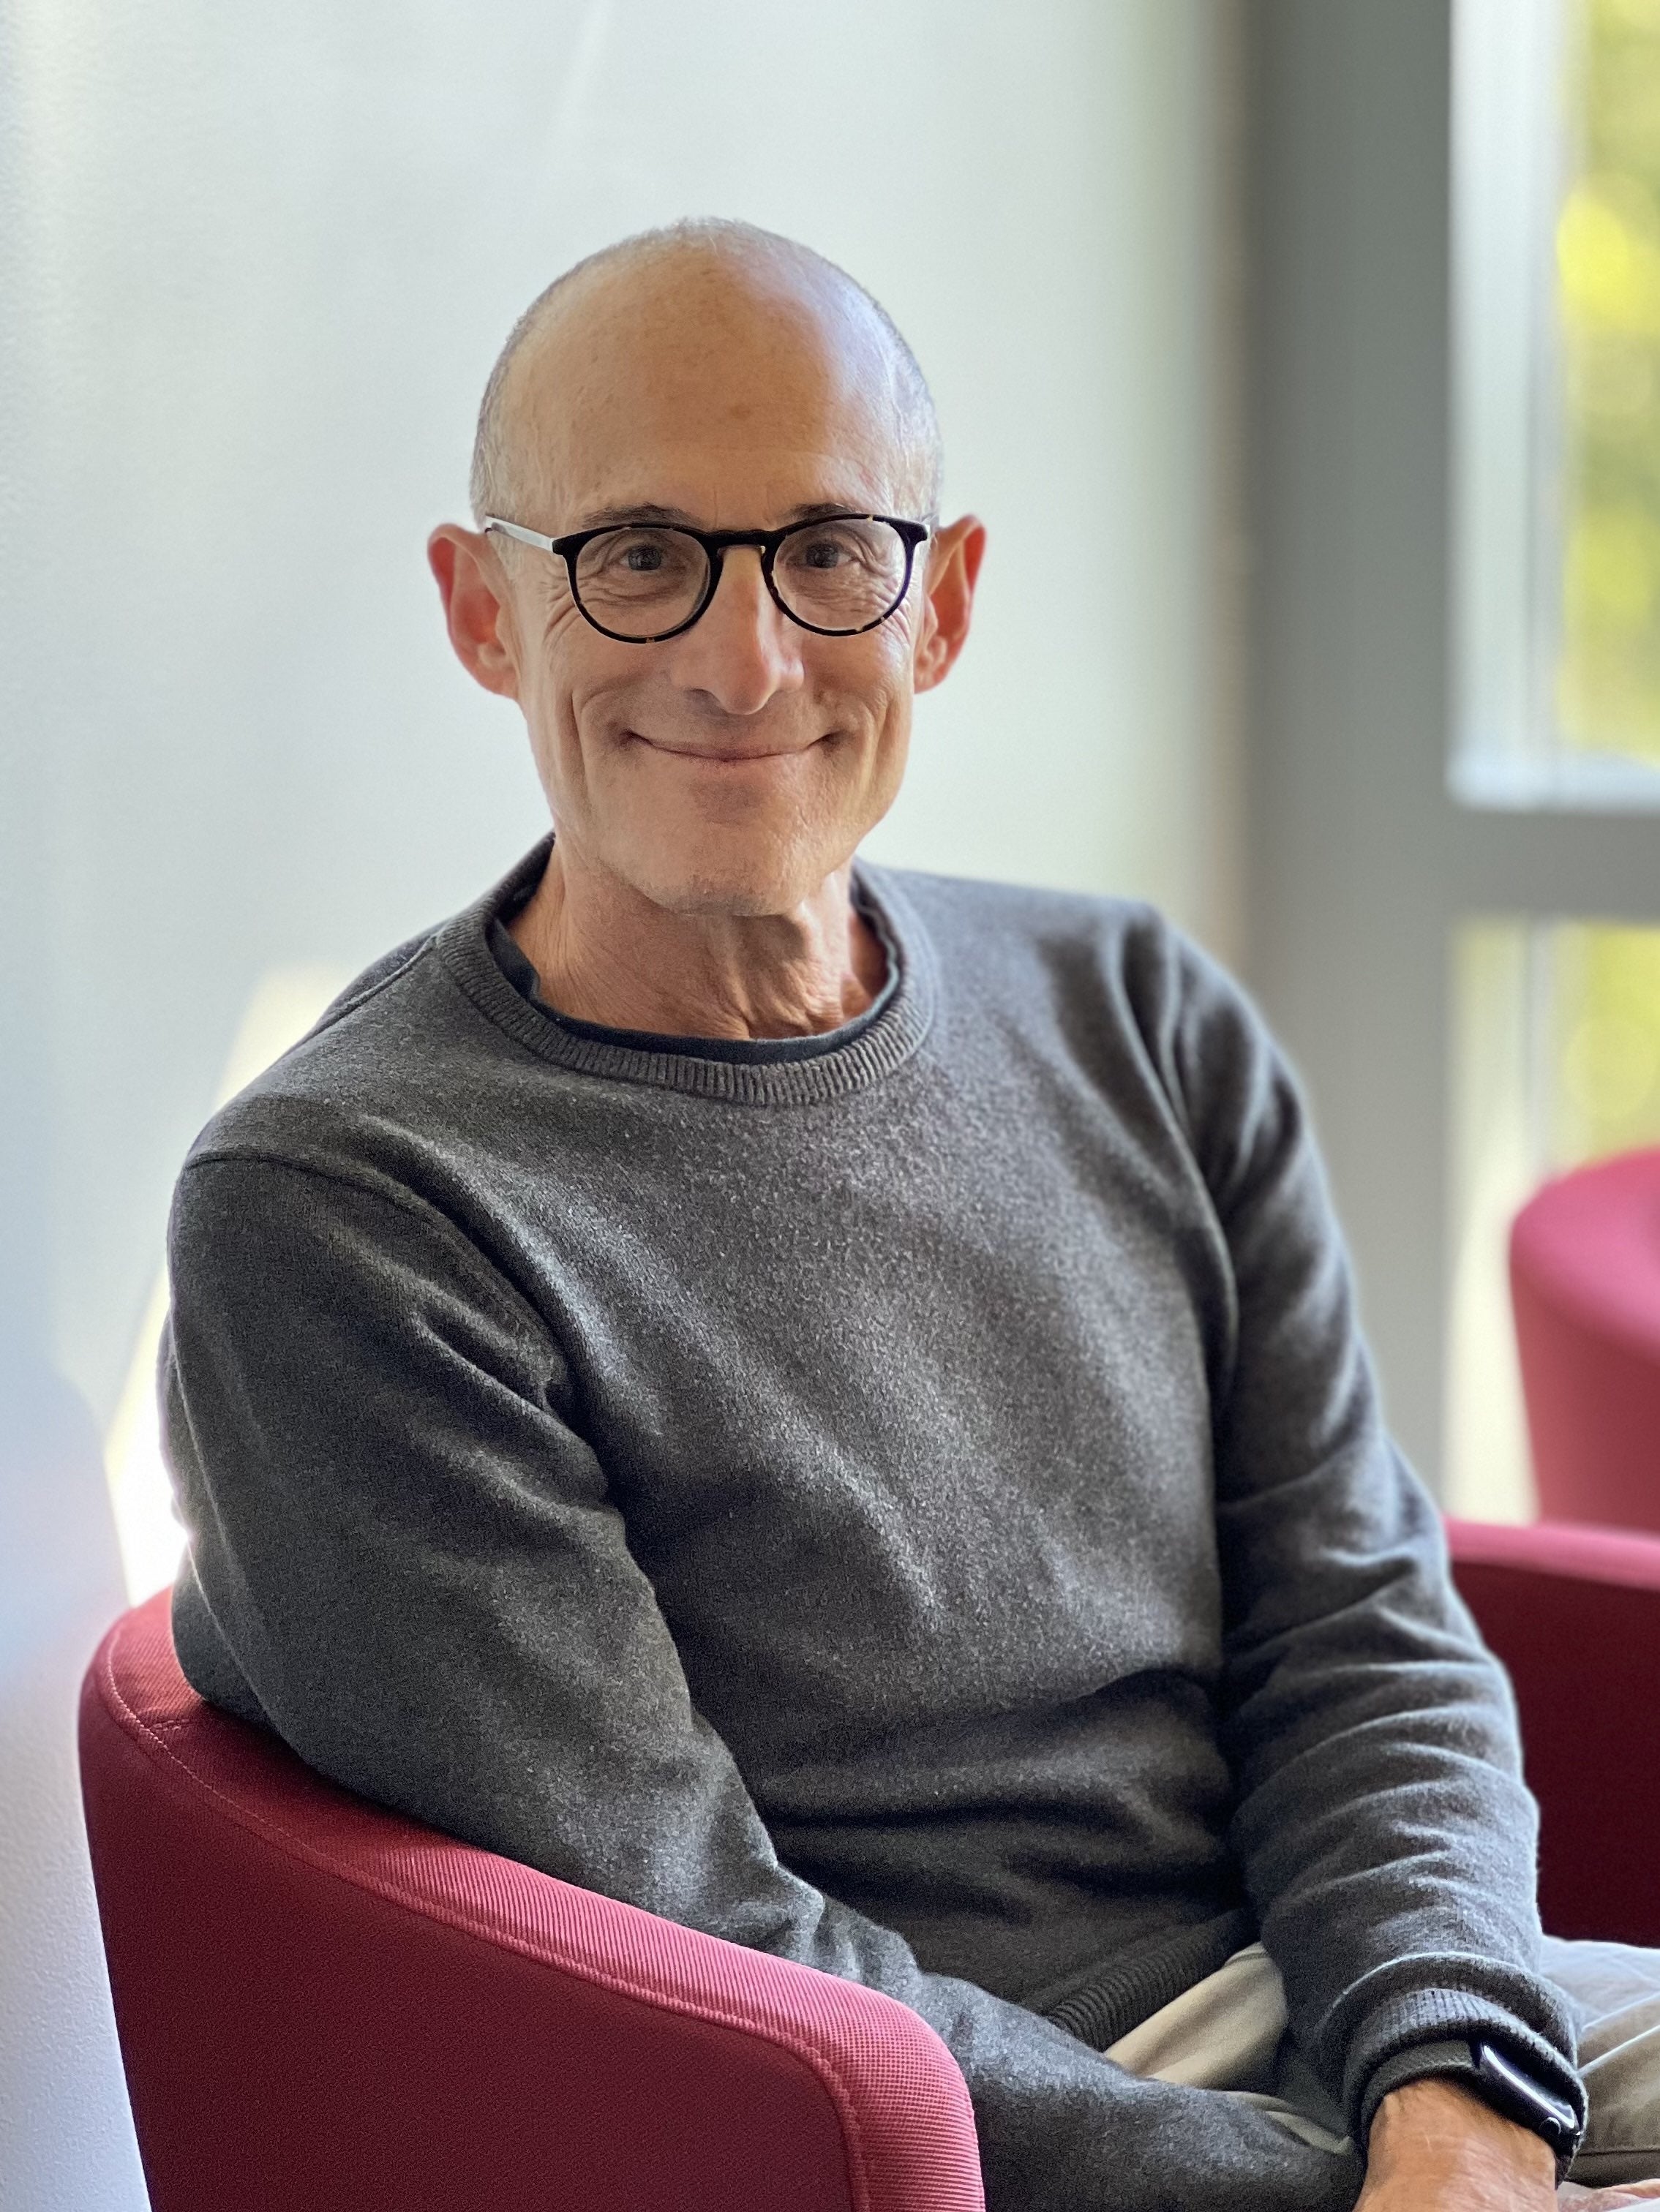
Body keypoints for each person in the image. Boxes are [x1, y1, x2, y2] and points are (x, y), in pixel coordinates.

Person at [159, 219, 1660, 2212]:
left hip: (1365, 2020)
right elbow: (693, 1944)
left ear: (940, 604)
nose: (741, 655)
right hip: (927, 2132)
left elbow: (1360, 1634)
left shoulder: (1144, 1015)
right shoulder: (352, 1216)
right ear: (480, 611)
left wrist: (1456, 2098)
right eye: (636, 553)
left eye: (827, 550)